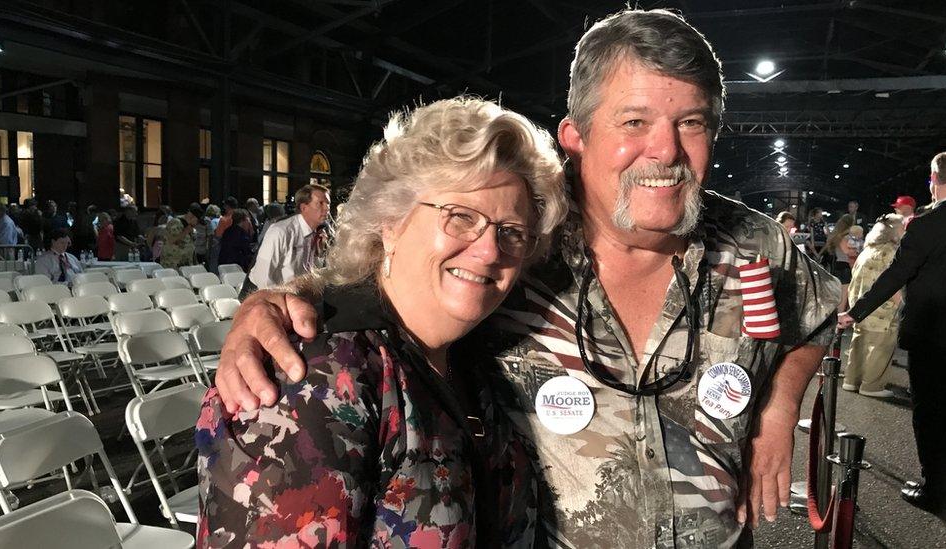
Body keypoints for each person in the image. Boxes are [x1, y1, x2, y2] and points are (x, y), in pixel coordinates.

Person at [211, 9, 841, 546]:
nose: (666, 150)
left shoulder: (754, 243)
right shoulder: (523, 238)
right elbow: (384, 285)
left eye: (692, 123)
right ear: (574, 135)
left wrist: (778, 408)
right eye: (634, 122)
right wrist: (274, 305)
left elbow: (819, 314)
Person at [196, 97, 566, 548]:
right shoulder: (312, 378)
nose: (489, 251)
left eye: (511, 232)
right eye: (461, 217)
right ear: (391, 221)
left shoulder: (475, 355)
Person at [839, 151, 946, 517]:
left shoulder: (925, 226)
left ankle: (936, 489)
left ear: (934, 182)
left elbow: (894, 276)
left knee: (931, 413)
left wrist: (853, 313)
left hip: (932, 337)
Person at [842, 214, 904, 398]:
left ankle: (851, 381)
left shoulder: (868, 250)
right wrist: (903, 305)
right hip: (881, 309)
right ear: (893, 232)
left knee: (859, 343)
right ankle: (872, 386)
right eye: (902, 228)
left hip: (861, 306)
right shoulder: (891, 252)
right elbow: (891, 283)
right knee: (880, 347)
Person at [247, 184, 329, 289]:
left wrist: (319, 252)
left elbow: (309, 272)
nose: (327, 208)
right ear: (304, 207)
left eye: (328, 203)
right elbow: (263, 279)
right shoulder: (281, 231)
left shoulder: (318, 233)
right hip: (265, 296)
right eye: (320, 203)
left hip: (295, 294)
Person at [822, 214, 857, 311]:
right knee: (843, 296)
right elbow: (847, 252)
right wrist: (856, 251)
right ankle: (839, 319)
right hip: (844, 267)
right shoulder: (845, 237)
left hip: (837, 266)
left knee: (838, 295)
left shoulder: (837, 236)